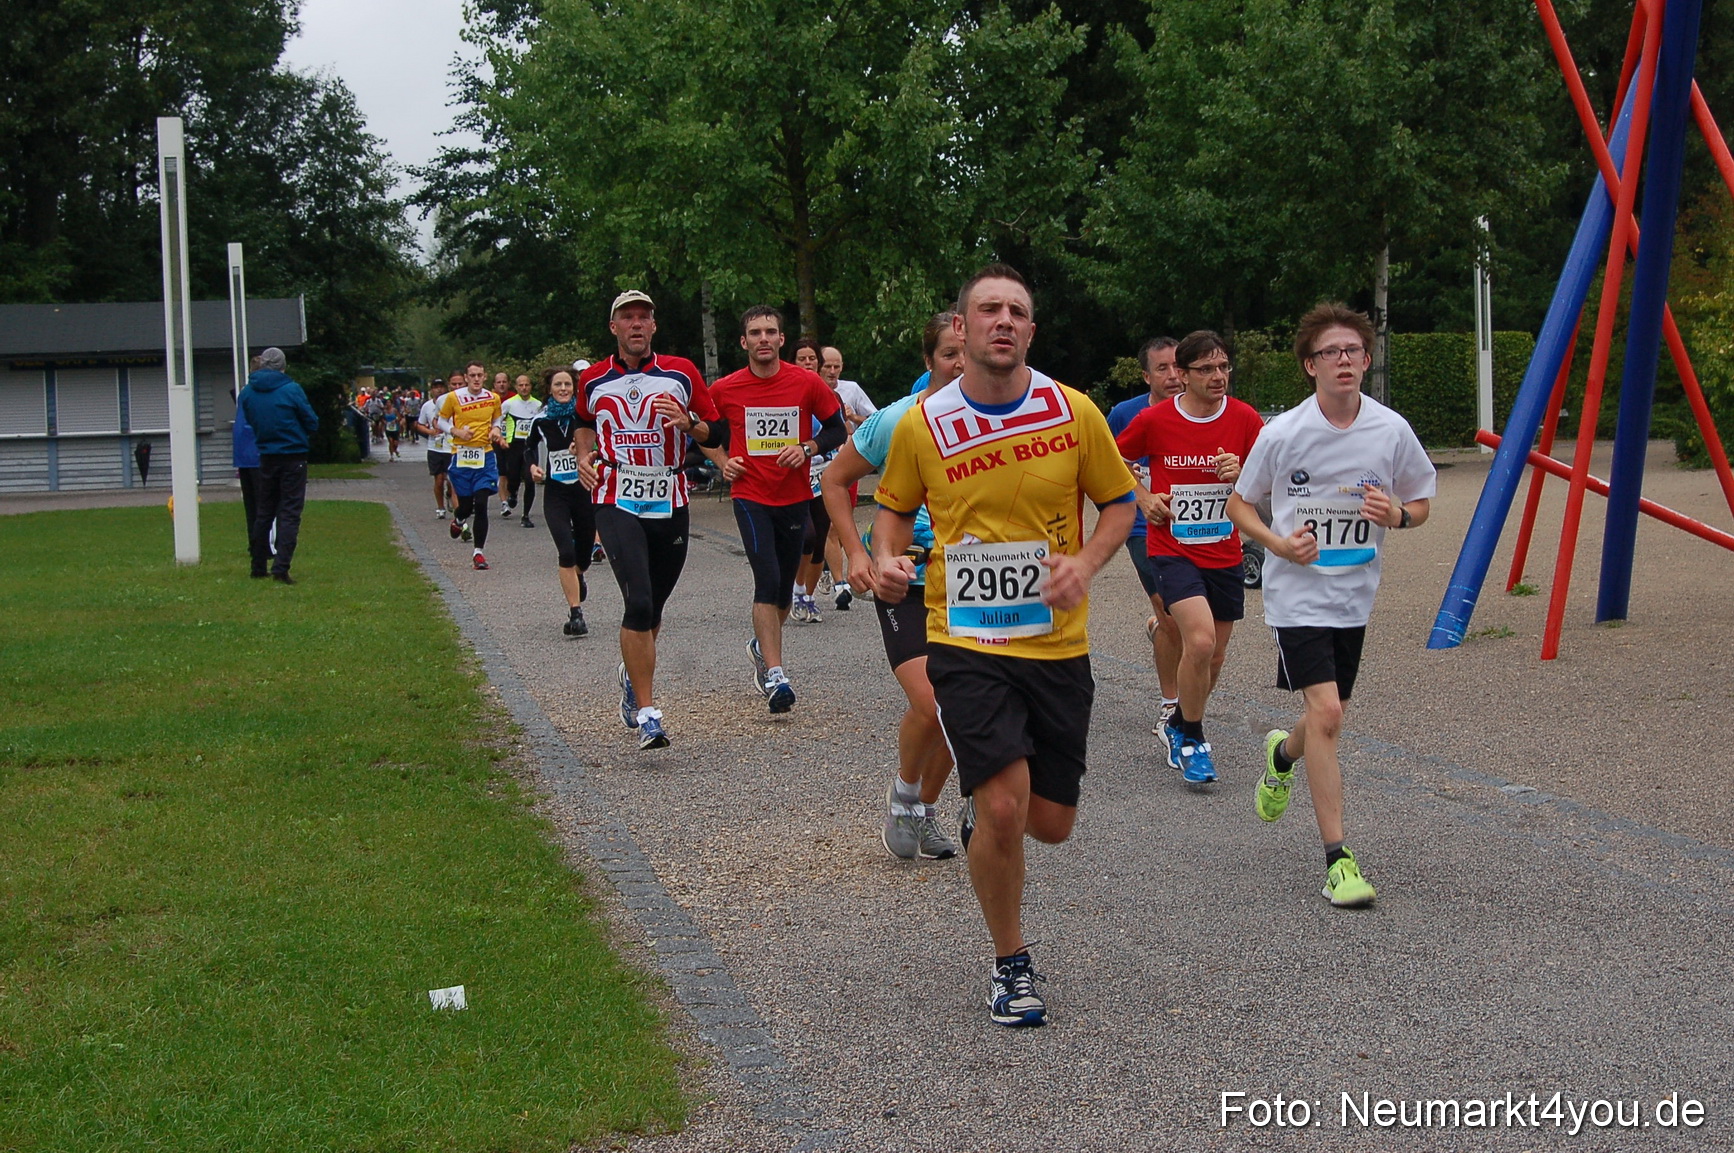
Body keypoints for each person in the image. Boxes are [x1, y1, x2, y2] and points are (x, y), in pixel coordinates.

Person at [871, 265, 1136, 1027]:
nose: (1003, 321)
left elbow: (1119, 505)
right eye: (988, 309)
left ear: (1030, 330)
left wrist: (1084, 564)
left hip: (1056, 644)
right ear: (961, 326)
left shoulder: (1073, 411)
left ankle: (991, 822)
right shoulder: (925, 423)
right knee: (1005, 806)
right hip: (965, 638)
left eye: (1017, 311)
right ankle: (1010, 963)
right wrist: (888, 561)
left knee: (1050, 821)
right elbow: (892, 513)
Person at [1228, 302, 1436, 908]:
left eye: (1352, 351)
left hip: (1354, 596)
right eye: (1330, 353)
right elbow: (1242, 504)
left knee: (1328, 715)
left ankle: (1281, 753)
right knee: (1327, 714)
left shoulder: (1390, 430)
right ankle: (1338, 860)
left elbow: (1421, 502)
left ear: (1366, 361)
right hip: (1295, 598)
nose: (1343, 360)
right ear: (1309, 366)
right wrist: (1276, 546)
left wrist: (1396, 515)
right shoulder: (1283, 433)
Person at [822, 311, 964, 860]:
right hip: (904, 576)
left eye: (966, 352)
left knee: (963, 707)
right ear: (928, 360)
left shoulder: (1000, 416)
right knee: (933, 702)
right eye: (948, 354)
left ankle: (924, 807)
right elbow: (836, 480)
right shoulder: (897, 420)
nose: (959, 364)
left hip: (971, 585)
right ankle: (905, 794)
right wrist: (857, 554)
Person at [576, 290, 725, 750]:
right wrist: (584, 455)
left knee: (653, 607)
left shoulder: (681, 372)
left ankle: (631, 673)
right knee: (638, 601)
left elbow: (715, 430)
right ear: (614, 327)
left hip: (670, 494)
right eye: (628, 318)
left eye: (644, 317)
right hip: (615, 494)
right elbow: (580, 422)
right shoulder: (594, 379)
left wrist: (688, 424)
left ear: (653, 327)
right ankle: (647, 712)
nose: (637, 324)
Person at [1114, 331, 1264, 783]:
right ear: (1183, 373)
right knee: (1197, 641)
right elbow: (1109, 461)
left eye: (1223, 367)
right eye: (1206, 369)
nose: (1218, 376)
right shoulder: (1155, 419)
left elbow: (1271, 476)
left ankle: (1181, 722)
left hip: (1224, 550)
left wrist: (1246, 473)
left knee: (1214, 656)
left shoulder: (1244, 418)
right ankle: (1194, 738)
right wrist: (1143, 497)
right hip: (1172, 548)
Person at [710, 306, 847, 713]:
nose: (763, 338)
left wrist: (807, 447)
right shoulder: (725, 389)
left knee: (784, 591)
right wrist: (722, 463)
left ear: (782, 340)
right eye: (755, 333)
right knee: (767, 580)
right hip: (750, 496)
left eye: (771, 331)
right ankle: (775, 674)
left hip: (793, 497)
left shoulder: (806, 383)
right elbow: (703, 432)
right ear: (744, 342)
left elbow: (837, 429)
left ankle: (760, 644)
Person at [1106, 338, 1185, 743]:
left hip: (1194, 526)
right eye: (1162, 369)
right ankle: (1170, 707)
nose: (1172, 376)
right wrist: (1139, 494)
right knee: (1172, 614)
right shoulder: (1124, 414)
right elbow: (1106, 461)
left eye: (1177, 367)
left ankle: (1159, 630)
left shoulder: (1201, 409)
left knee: (1192, 622)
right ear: (1146, 375)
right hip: (1144, 527)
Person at [237, 347, 319, 584]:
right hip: (293, 455)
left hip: (266, 455)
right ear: (283, 366)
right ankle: (281, 567)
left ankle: (258, 564)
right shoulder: (291, 390)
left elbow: (250, 419)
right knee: (289, 512)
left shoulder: (248, 393)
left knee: (264, 512)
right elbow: (310, 421)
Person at [525, 365, 594, 638]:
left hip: (584, 490)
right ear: (549, 389)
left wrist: (588, 450)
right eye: (558, 385)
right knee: (565, 551)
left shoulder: (584, 418)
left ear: (574, 388)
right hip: (556, 493)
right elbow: (528, 449)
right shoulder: (540, 420)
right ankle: (575, 614)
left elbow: (602, 445)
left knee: (584, 555)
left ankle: (579, 574)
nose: (563, 389)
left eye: (567, 384)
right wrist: (531, 468)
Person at [437, 361, 507, 570]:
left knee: (482, 502)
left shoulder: (492, 398)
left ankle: (478, 553)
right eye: (472, 376)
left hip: (484, 456)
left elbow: (497, 421)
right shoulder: (453, 398)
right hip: (462, 456)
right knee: (466, 505)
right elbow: (441, 421)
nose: (476, 379)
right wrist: (456, 432)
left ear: (484, 377)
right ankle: (459, 520)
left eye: (480, 375)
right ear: (466, 378)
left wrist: (496, 431)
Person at [501, 373, 544, 527]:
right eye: (521, 385)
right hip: (514, 446)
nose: (524, 388)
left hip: (530, 447)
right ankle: (512, 493)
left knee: (530, 480)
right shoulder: (508, 404)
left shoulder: (538, 405)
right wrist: (501, 438)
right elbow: (498, 422)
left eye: (526, 385)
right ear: (516, 387)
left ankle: (525, 516)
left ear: (530, 386)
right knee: (512, 478)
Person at [418, 374, 460, 518]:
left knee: (451, 480)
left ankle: (453, 502)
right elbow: (420, 424)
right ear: (431, 390)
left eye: (441, 387)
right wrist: (429, 431)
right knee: (439, 479)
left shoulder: (451, 402)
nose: (439, 390)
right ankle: (440, 507)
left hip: (450, 447)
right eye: (436, 388)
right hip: (435, 447)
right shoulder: (427, 406)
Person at [232, 376, 262, 549]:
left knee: (250, 504)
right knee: (264, 503)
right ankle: (263, 544)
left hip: (242, 454)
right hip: (258, 453)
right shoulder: (258, 395)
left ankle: (254, 542)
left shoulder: (244, 394)